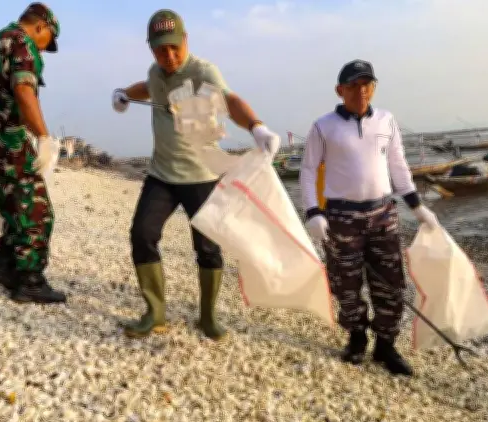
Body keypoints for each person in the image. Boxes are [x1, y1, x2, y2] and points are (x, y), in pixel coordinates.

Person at [111, 9, 280, 340]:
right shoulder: (155, 72)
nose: (169, 56)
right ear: (151, 49)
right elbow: (148, 87)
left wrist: (256, 127)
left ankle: (208, 317)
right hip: (161, 175)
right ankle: (155, 312)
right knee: (142, 234)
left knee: (208, 248)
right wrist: (125, 95)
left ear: (185, 40)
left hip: (201, 177)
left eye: (174, 47)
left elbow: (230, 101)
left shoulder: (203, 72)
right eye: (161, 49)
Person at [299, 60, 440, 376]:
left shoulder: (387, 121)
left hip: (382, 214)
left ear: (373, 88)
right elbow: (307, 172)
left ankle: (386, 345)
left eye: (367, 85)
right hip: (341, 218)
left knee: (390, 284)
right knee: (346, 284)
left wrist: (417, 207)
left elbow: (399, 167)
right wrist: (313, 213)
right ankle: (357, 336)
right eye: (354, 85)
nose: (361, 91)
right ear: (340, 90)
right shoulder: (323, 126)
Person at [0, 2, 66, 303]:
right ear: (41, 27)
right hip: (6, 144)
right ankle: (30, 281)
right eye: (48, 41)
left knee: (12, 205)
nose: (45, 50)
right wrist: (44, 137)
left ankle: (4, 265)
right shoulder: (24, 44)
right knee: (37, 212)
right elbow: (24, 90)